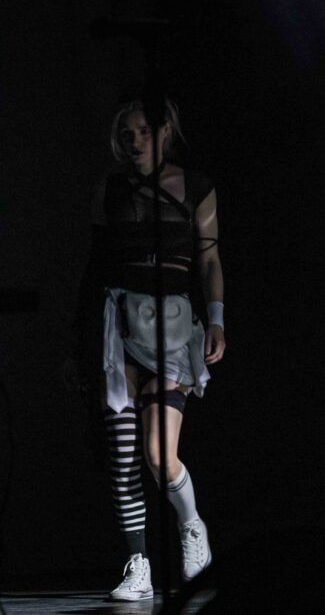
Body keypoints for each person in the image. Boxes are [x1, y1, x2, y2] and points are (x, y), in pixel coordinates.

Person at [74, 98, 225, 600]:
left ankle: (191, 525)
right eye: (127, 133)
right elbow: (95, 266)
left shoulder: (196, 187)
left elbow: (209, 261)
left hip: (172, 327)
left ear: (164, 132)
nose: (134, 141)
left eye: (142, 131)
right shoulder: (111, 189)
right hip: (119, 324)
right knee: (123, 457)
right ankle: (138, 564)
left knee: (159, 454)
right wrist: (78, 341)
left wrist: (217, 320)